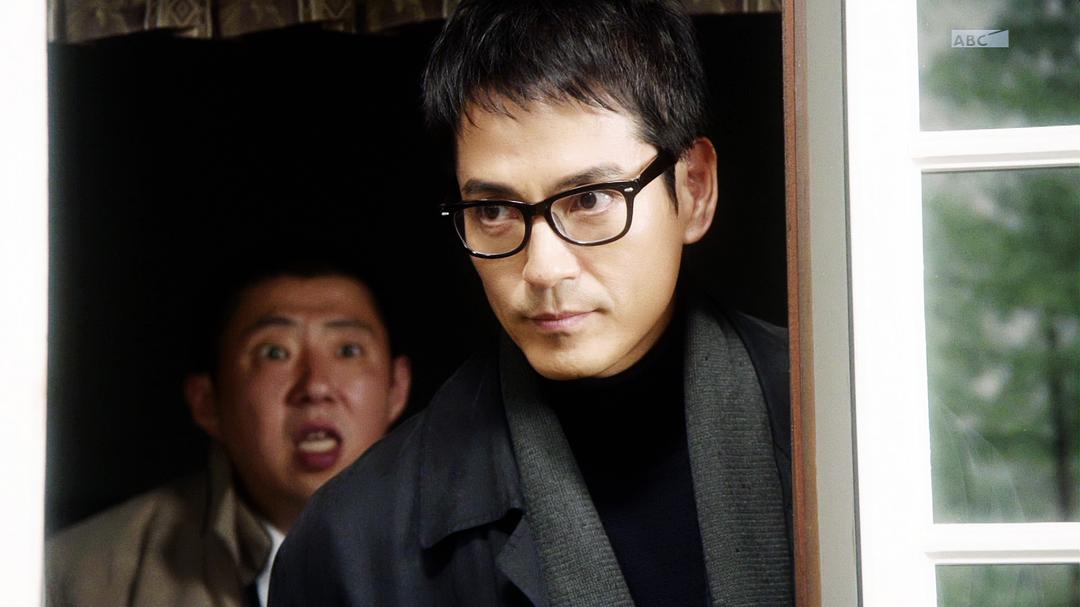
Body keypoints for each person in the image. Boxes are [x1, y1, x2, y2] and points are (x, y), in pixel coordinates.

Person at [271, 0, 793, 605]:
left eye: (590, 199)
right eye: (494, 211)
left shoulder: (852, 423)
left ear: (694, 188)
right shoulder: (351, 545)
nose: (543, 268)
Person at [46, 260, 412, 607]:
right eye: (274, 352)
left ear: (396, 388)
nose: (315, 386)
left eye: (348, 350)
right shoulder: (75, 575)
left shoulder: (446, 564)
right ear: (207, 402)